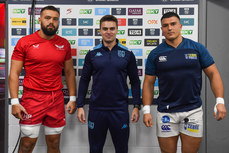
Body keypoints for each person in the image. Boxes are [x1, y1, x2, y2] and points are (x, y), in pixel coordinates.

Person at [142, 12, 226, 153]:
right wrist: (146, 110)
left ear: (180, 26)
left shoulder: (197, 48)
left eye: (173, 24)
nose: (169, 28)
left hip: (192, 111)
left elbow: (213, 74)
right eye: (165, 25)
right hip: (166, 113)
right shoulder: (155, 54)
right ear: (161, 29)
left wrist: (220, 101)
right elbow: (149, 83)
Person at [9, 6, 76, 153]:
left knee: (54, 143)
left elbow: (70, 72)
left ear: (58, 22)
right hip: (32, 98)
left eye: (55, 19)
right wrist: (14, 102)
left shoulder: (64, 44)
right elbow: (14, 73)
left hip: (55, 98)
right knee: (27, 144)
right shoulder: (25, 42)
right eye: (47, 18)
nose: (51, 22)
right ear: (40, 20)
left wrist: (72, 98)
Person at [77, 15, 141, 153]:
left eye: (112, 28)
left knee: (122, 149)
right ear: (100, 30)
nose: (108, 31)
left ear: (117, 30)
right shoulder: (92, 54)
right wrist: (80, 105)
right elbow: (84, 80)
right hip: (97, 110)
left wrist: (136, 106)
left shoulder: (127, 54)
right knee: (95, 149)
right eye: (105, 28)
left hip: (120, 110)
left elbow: (135, 81)